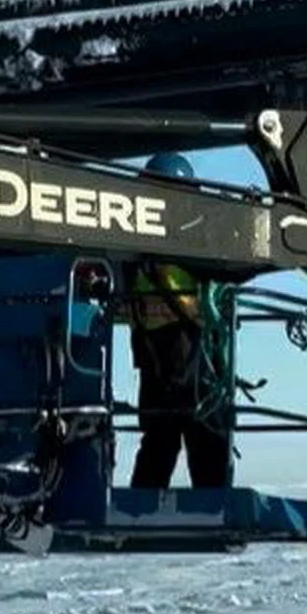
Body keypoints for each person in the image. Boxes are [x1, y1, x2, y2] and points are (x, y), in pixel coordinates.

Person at [121, 151, 235, 489]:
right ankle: (213, 506)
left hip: (157, 357)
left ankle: (140, 510)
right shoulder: (188, 242)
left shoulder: (133, 249)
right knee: (201, 437)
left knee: (161, 440)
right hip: (189, 354)